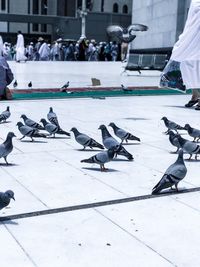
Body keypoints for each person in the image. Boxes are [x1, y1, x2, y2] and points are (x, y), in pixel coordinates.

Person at [169, 0, 200, 110]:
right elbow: (191, 19)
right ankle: (195, 94)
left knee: (196, 63)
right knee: (188, 63)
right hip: (193, 31)